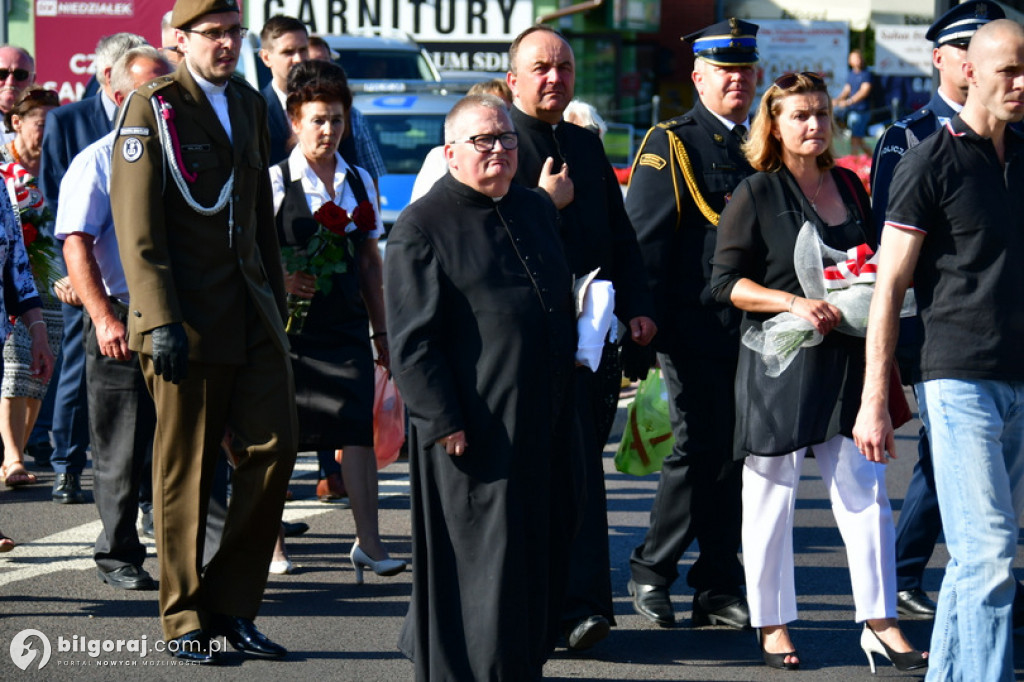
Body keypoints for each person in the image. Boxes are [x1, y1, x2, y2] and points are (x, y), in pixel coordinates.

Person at [711, 70, 926, 672]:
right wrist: (793, 302)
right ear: (774, 126)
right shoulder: (755, 193)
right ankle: (772, 623)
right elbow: (725, 284)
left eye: (822, 114)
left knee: (866, 493)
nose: (814, 125)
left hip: (848, 360)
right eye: (800, 115)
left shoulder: (850, 184)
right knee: (770, 500)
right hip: (780, 365)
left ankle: (881, 622)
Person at [109, 0, 297, 664]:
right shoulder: (153, 107)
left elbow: (258, 218)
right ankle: (185, 616)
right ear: (179, 39)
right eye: (213, 33)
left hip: (248, 315)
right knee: (185, 470)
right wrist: (157, 317)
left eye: (234, 32)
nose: (227, 43)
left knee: (276, 446)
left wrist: (275, 306)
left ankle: (232, 605)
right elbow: (137, 226)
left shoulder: (246, 102)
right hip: (184, 322)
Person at [854, 19, 1024, 681]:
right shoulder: (931, 156)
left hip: (1017, 380)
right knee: (990, 553)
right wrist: (875, 400)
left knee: (977, 558)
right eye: (1008, 70)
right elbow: (889, 284)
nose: (1020, 83)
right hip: (956, 378)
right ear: (970, 72)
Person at [387, 92, 577, 681]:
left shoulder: (534, 208)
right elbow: (412, 342)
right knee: (484, 566)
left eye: (506, 139)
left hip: (541, 417)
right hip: (472, 427)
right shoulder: (421, 226)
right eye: (483, 141)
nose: (499, 149)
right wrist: (444, 421)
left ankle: (521, 665)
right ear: (451, 153)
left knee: (538, 555)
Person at [507, 24, 657, 652]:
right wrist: (547, 204)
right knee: (531, 479)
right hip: (520, 346)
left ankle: (585, 606)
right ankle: (533, 613)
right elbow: (487, 241)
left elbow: (620, 236)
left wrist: (642, 309)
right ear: (512, 78)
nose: (555, 78)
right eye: (541, 68)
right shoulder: (495, 143)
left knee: (583, 478)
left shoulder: (585, 145)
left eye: (564, 68)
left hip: (589, 344)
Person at [624, 18, 755, 632]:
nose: (738, 81)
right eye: (725, 72)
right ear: (699, 77)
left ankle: (718, 584)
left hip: (753, 328)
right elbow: (646, 241)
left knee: (738, 456)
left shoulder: (761, 143)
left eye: (745, 71)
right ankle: (652, 569)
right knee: (696, 449)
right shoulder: (672, 141)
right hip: (693, 324)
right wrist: (643, 326)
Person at [269, 62, 403, 579]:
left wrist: (383, 330)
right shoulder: (276, 180)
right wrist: (282, 277)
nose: (329, 131)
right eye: (319, 120)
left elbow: (370, 259)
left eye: (338, 121)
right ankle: (273, 545)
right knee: (279, 435)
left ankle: (369, 543)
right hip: (290, 330)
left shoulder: (359, 178)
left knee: (358, 434)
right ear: (296, 122)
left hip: (345, 325)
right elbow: (250, 252)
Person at [56, 46, 172, 592]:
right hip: (122, 315)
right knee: (121, 446)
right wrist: (103, 317)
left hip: (182, 315)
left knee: (188, 441)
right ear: (123, 96)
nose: (165, 100)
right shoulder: (97, 159)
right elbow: (76, 242)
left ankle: (195, 551)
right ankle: (119, 553)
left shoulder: (185, 158)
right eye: (154, 90)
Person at [40, 32, 147, 506]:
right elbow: (55, 212)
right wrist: (66, 277)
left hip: (157, 304)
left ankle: (155, 513)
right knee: (78, 376)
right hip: (90, 286)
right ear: (114, 83)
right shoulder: (76, 130)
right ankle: (66, 464)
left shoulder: (173, 146)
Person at [0, 87, 62, 488]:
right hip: (15, 288)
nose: (49, 132)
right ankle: (12, 456)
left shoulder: (62, 168)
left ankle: (13, 453)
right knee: (13, 371)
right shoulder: (7, 172)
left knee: (38, 374)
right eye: (43, 123)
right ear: (17, 123)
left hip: (53, 283)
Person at [409, 77, 512, 203]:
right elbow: (423, 210)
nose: (499, 116)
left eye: (507, 110)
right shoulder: (441, 158)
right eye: (489, 106)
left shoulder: (515, 155)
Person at [833, 49, 874, 156]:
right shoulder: (851, 74)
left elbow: (864, 91)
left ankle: (854, 163)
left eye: (859, 58)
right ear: (850, 61)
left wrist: (849, 102)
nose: (858, 61)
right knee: (857, 140)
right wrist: (837, 100)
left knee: (855, 139)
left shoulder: (866, 74)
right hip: (852, 111)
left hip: (862, 111)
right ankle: (873, 159)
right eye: (855, 58)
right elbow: (847, 90)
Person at [0, 46, 35, 144]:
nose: (10, 82)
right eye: (1, 74)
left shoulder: (46, 122)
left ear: (33, 79)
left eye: (20, 74)